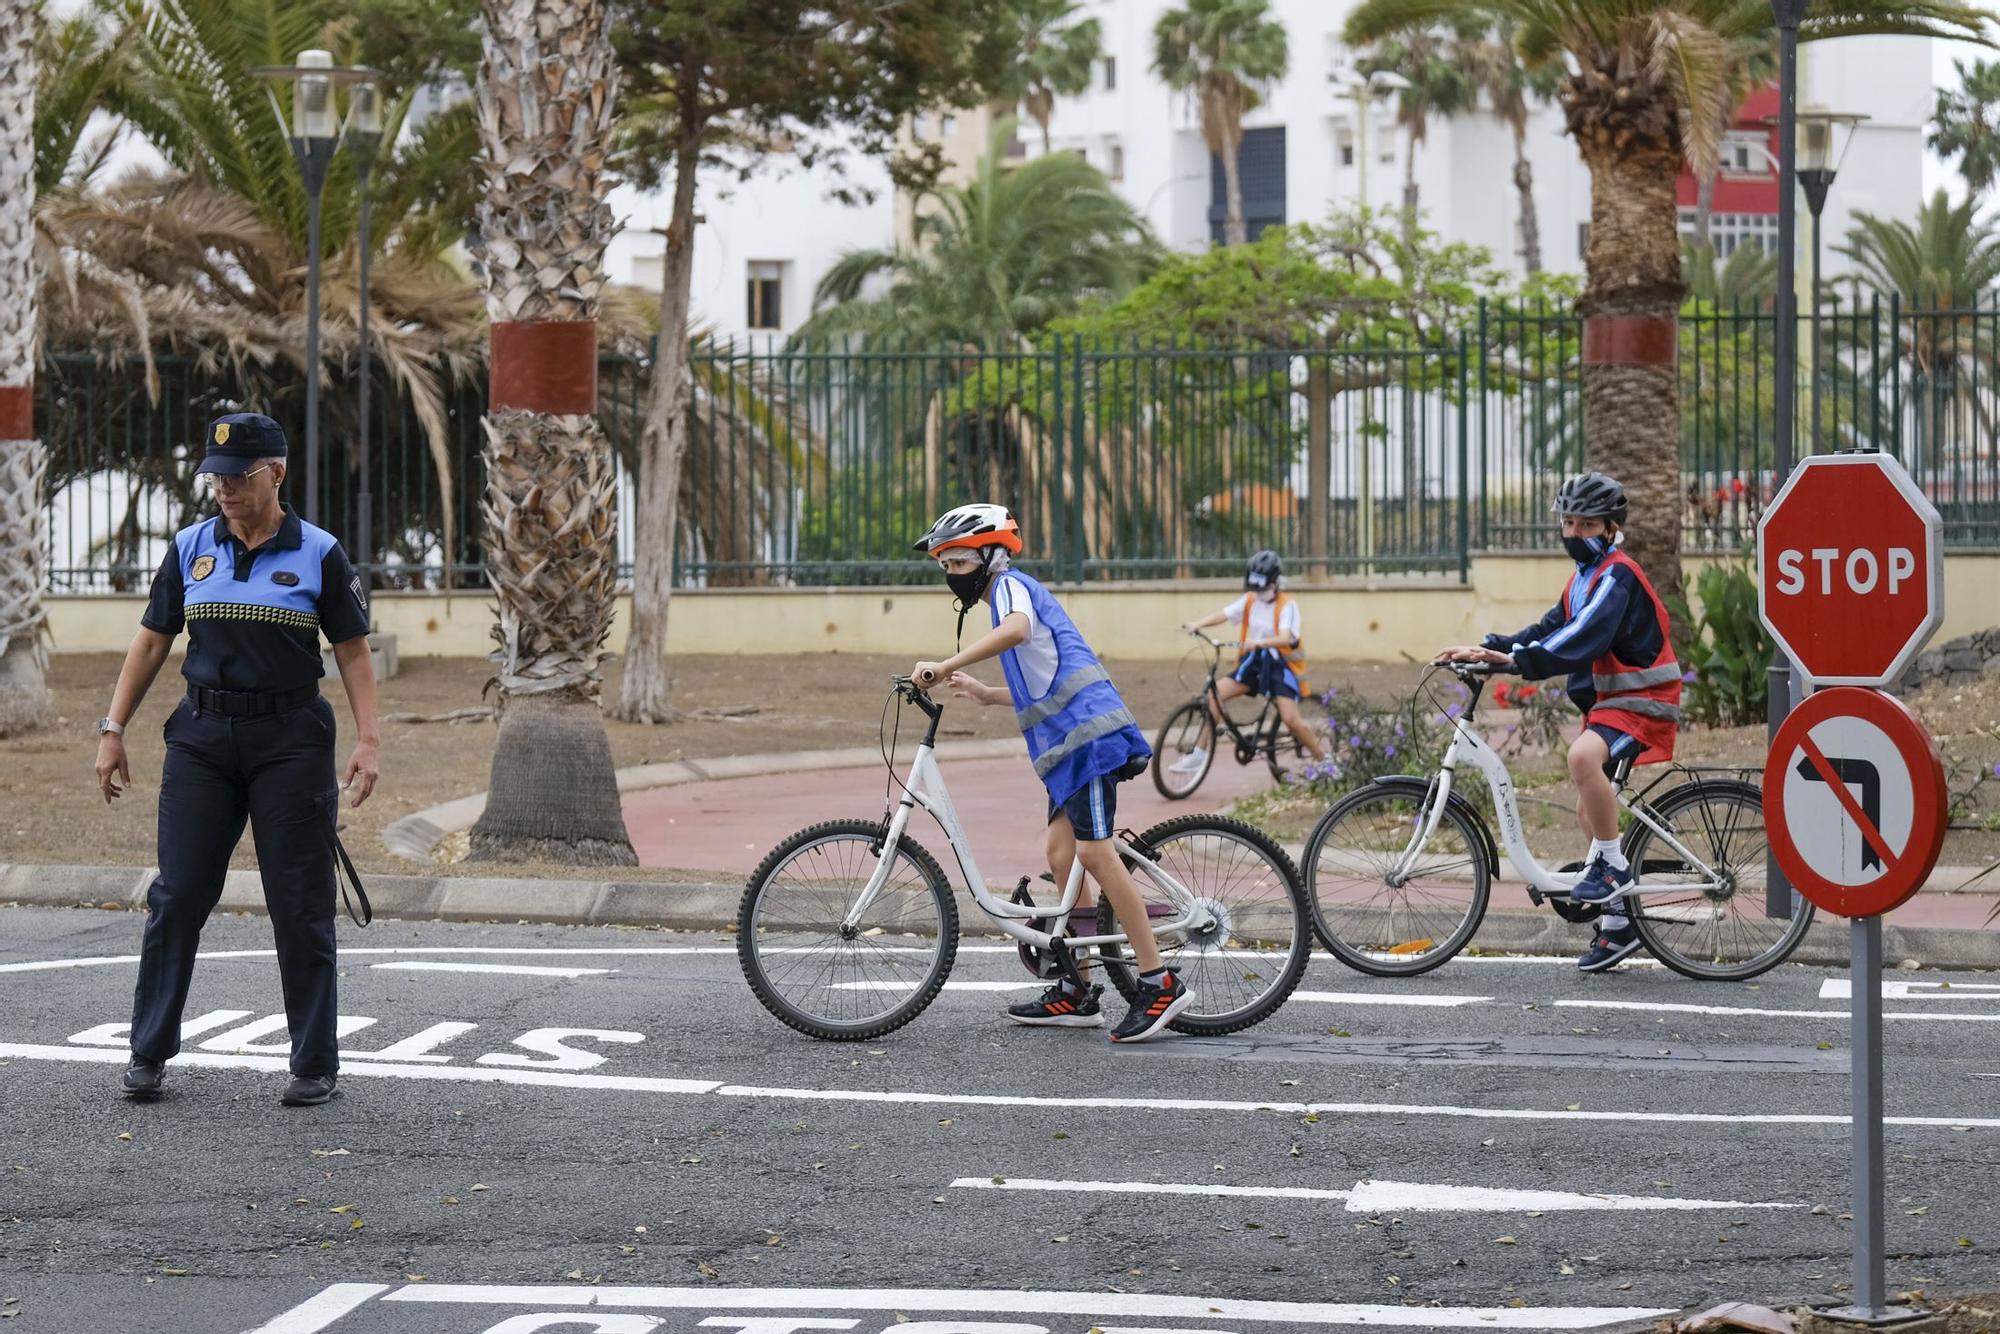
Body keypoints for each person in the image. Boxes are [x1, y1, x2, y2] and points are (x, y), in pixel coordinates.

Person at [92, 413, 380, 1105]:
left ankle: (314, 1065)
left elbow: (351, 651)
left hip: (291, 741)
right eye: (214, 478)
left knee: (300, 904)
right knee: (179, 896)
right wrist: (112, 727)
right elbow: (153, 641)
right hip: (201, 738)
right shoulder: (191, 547)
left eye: (236, 477)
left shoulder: (319, 552)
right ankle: (148, 1052)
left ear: (275, 473)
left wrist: (369, 740)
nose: (222, 489)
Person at [905, 503, 1194, 1043]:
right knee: (1061, 856)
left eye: (961, 560)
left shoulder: (1012, 588)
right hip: (1067, 750)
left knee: (1093, 853)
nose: (952, 573)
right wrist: (983, 693)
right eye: (944, 564)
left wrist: (946, 665)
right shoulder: (1000, 601)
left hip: (1091, 739)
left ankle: (1159, 983)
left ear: (991, 557)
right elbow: (1038, 682)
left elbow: (1018, 631)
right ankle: (1077, 990)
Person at [1434, 472, 1682, 973]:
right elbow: (1551, 628)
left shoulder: (1618, 576)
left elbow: (1580, 640)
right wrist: (1495, 647)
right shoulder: (1585, 577)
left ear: (1612, 528)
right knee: (1589, 813)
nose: (1573, 532)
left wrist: (1512, 664)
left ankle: (1612, 869)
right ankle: (1618, 927)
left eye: (1586, 523)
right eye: (1567, 522)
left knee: (1581, 757)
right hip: (1615, 703)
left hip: (1643, 700)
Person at [1172, 549, 1328, 774]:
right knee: (1213, 696)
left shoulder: (1288, 606)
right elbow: (1224, 614)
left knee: (1291, 720)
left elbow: (1285, 637)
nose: (1258, 593)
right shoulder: (1249, 600)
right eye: (1254, 588)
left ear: (1275, 583)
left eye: (1262, 588)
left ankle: (1326, 761)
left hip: (1280, 668)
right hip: (1253, 664)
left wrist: (1262, 642)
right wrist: (1198, 624)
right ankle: (1199, 754)